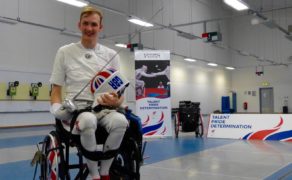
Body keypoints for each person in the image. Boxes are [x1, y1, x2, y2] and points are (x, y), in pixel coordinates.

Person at [49, 6, 128, 180]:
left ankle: (105, 172)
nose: (89, 28)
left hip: (105, 109)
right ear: (79, 25)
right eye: (86, 24)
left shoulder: (112, 55)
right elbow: (55, 90)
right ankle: (94, 175)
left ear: (100, 27)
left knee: (121, 121)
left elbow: (120, 93)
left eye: (94, 24)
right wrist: (56, 110)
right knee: (87, 120)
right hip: (77, 111)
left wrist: (116, 101)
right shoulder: (65, 52)